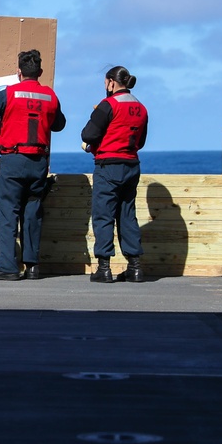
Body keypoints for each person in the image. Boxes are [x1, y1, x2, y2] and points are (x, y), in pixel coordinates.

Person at [0, 49, 66, 280]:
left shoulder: (9, 93)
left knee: (8, 214)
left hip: (13, 161)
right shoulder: (50, 96)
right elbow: (59, 125)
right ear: (40, 72)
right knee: (32, 213)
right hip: (38, 163)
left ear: (18, 72)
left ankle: (8, 267)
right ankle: (32, 266)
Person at [80, 65, 148, 283]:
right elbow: (142, 141)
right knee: (127, 214)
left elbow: (88, 134)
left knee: (103, 215)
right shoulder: (141, 107)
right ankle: (135, 267)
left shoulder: (107, 105)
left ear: (111, 82)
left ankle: (104, 268)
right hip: (131, 164)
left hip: (108, 165)